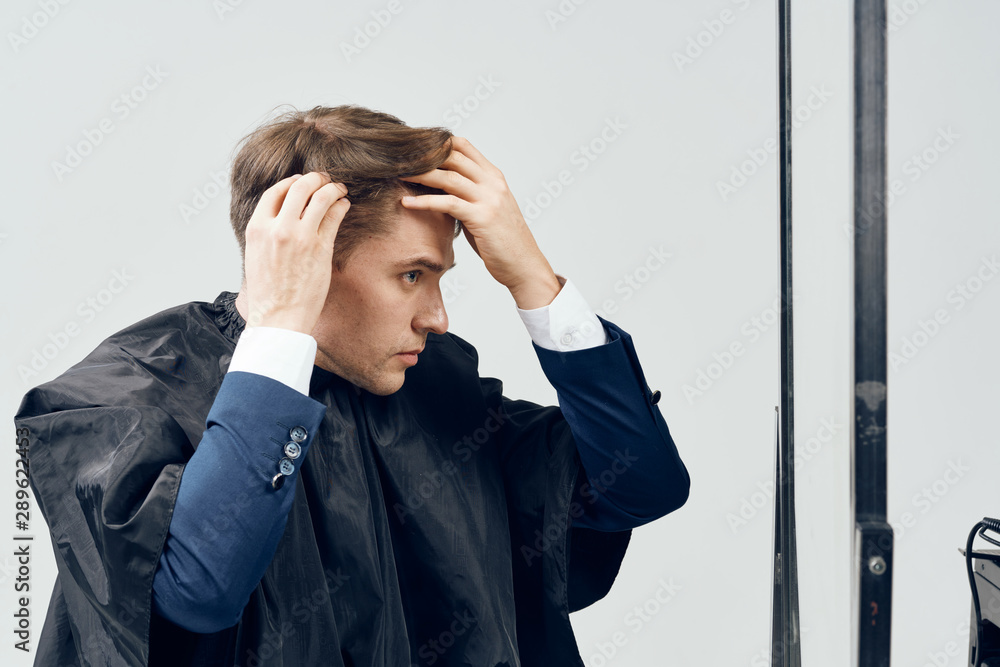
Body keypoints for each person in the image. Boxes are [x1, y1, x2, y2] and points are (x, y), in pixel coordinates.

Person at [15, 105, 690, 666]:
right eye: (411, 275)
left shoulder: (439, 390)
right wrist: (283, 329)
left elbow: (639, 484)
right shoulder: (120, 394)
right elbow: (199, 588)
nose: (438, 317)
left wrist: (533, 279)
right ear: (312, 254)